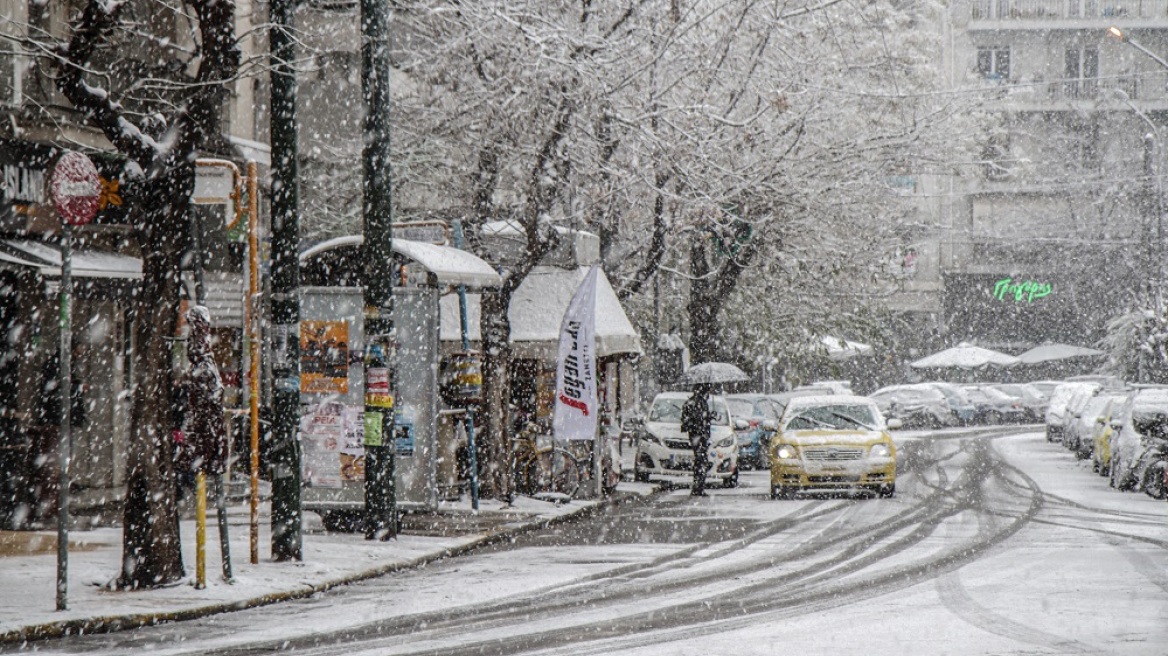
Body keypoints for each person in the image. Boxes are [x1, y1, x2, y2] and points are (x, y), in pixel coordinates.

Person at [681, 384, 713, 497]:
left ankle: (697, 486)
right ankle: (698, 487)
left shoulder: (690, 402)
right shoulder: (699, 403)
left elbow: (686, 421)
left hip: (696, 435)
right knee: (701, 461)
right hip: (699, 436)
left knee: (700, 461)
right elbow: (698, 419)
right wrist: (706, 417)